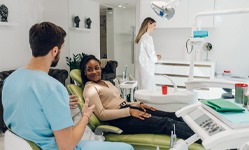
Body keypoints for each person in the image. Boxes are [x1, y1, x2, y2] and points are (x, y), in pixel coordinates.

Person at [2, 22, 133, 150]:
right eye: (61, 48)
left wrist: (59, 103)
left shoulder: (11, 79)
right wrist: (86, 116)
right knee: (127, 147)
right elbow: (67, 145)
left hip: (24, 144)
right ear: (54, 50)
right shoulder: (53, 88)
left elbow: (27, 108)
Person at [81, 54, 194, 140]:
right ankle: (200, 138)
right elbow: (102, 114)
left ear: (101, 68)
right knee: (165, 123)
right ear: (85, 73)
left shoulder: (107, 82)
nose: (94, 72)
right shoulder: (90, 88)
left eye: (96, 68)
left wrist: (138, 105)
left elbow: (121, 102)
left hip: (128, 110)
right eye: (89, 69)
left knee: (173, 115)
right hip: (119, 119)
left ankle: (205, 130)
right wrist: (129, 111)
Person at [135, 17, 161, 91]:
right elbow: (152, 55)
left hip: (142, 69)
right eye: (154, 25)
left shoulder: (141, 37)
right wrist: (157, 58)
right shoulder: (148, 38)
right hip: (147, 70)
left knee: (142, 91)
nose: (155, 28)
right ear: (149, 24)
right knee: (149, 92)